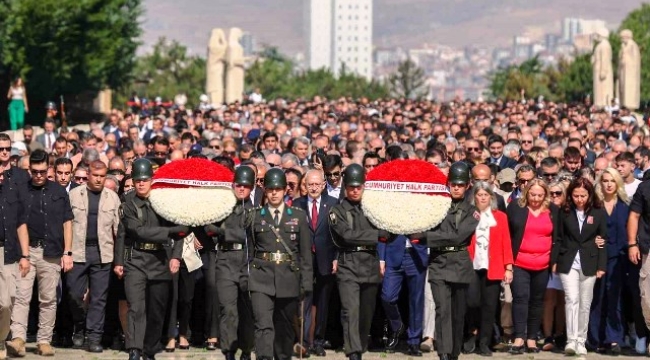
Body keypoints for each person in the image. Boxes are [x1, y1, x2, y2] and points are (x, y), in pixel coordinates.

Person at [116, 158, 186, 360]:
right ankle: (134, 349)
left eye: (145, 180)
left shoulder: (163, 202)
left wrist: (176, 257)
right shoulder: (128, 203)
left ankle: (149, 349)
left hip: (160, 260)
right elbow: (130, 232)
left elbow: (181, 231)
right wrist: (119, 261)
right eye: (137, 179)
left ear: (152, 180)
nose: (140, 183)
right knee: (136, 307)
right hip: (136, 260)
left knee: (157, 310)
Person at [7, 150, 73, 357]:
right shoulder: (22, 191)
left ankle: (44, 341)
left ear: (49, 169)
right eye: (34, 172)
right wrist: (22, 254)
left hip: (52, 252)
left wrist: (68, 251)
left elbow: (67, 223)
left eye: (43, 171)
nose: (38, 175)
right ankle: (18, 339)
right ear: (30, 170)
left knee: (48, 299)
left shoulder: (59, 191)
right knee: (21, 296)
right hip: (27, 252)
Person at [247, 168, 312, 360]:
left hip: (288, 277)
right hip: (261, 277)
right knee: (263, 324)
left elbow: (305, 253)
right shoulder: (255, 216)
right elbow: (250, 249)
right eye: (270, 189)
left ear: (285, 190)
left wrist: (306, 282)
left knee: (284, 326)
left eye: (278, 189)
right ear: (265, 191)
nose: (274, 193)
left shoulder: (298, 216)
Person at [420, 161, 479, 360]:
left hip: (460, 264)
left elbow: (458, 236)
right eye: (453, 183)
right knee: (442, 310)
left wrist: (428, 239)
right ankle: (444, 354)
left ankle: (453, 353)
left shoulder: (472, 211)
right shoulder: (437, 207)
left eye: (460, 184)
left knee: (458, 314)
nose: (456, 187)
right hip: (438, 263)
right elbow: (425, 227)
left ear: (467, 185)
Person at [328, 164, 383, 360]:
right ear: (345, 187)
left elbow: (388, 233)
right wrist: (375, 235)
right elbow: (346, 236)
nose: (355, 190)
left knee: (366, 312)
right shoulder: (337, 210)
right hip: (348, 264)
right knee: (350, 310)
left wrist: (373, 236)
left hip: (370, 263)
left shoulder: (373, 208)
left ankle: (360, 344)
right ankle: (353, 351)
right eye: (351, 187)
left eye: (358, 186)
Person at [67, 160, 121, 352]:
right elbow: (66, 226)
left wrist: (119, 258)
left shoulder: (112, 198)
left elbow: (118, 230)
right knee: (74, 295)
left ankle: (94, 337)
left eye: (102, 176)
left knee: (99, 298)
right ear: (88, 175)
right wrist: (66, 253)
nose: (98, 179)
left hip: (103, 253)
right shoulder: (74, 195)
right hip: (78, 251)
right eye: (95, 175)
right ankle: (79, 327)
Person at [204, 166, 255, 360]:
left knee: (248, 310)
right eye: (238, 184)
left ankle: (247, 349)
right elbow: (208, 226)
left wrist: (224, 231)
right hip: (225, 259)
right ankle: (229, 351)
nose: (241, 188)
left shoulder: (255, 208)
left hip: (247, 260)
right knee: (228, 309)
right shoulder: (223, 206)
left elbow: (253, 235)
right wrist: (222, 233)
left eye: (246, 185)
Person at [552, 178, 607, 356]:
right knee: (571, 299)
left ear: (590, 195)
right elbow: (558, 237)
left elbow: (603, 239)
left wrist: (601, 265)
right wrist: (554, 261)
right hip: (568, 261)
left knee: (585, 303)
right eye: (576, 195)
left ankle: (582, 340)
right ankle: (571, 340)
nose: (580, 199)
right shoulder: (564, 210)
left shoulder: (598, 211)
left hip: (590, 261)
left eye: (583, 195)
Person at [507, 178, 560, 354]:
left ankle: (531, 338)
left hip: (543, 264)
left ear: (545, 195)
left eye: (540, 195)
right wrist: (507, 265)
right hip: (519, 262)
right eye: (532, 194)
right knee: (521, 298)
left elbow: (558, 238)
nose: (536, 199)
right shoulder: (516, 207)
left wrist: (554, 261)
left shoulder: (553, 210)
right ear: (526, 192)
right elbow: (507, 236)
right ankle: (519, 337)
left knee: (537, 302)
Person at [464, 181, 513, 356]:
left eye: (486, 195)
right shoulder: (468, 214)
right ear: (474, 197)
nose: (483, 198)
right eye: (479, 194)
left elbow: (506, 242)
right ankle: (472, 333)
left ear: (491, 197)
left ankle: (484, 342)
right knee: (472, 302)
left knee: (490, 306)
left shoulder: (500, 217)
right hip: (472, 266)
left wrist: (508, 267)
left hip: (494, 266)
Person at [294, 169, 338, 356]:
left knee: (322, 303)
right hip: (303, 262)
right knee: (304, 302)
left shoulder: (333, 204)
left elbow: (338, 234)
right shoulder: (297, 204)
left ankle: (318, 341)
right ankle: (303, 342)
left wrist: (336, 258)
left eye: (317, 184)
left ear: (322, 185)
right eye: (310, 184)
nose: (313, 188)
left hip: (325, 261)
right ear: (305, 185)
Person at [589, 168, 629, 354]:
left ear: (617, 182)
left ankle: (614, 338)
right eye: (605, 180)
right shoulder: (594, 206)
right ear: (600, 183)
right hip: (597, 257)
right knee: (597, 298)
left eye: (612, 180)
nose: (608, 184)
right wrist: (593, 239)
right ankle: (596, 339)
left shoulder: (625, 205)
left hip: (619, 258)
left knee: (615, 298)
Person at [0, 158, 31, 360]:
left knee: (6, 303)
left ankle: (1, 338)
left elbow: (21, 223)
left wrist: (25, 255)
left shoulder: (12, 190)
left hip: (8, 250)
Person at [541, 181, 567, 351]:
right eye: (552, 193)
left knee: (563, 300)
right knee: (550, 299)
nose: (555, 196)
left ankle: (561, 334)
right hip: (548, 260)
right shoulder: (545, 212)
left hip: (566, 259)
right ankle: (548, 335)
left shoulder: (569, 211)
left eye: (558, 193)